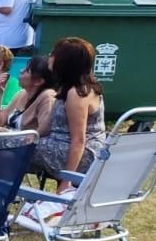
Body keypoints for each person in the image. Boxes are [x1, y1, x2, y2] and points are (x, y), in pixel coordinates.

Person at [34, 37, 107, 190]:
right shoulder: (68, 87)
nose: (49, 56)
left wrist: (67, 180)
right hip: (60, 146)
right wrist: (21, 135)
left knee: (5, 149)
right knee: (9, 144)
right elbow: (47, 126)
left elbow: (78, 140)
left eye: (53, 54)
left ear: (64, 62)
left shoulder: (78, 94)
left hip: (81, 155)